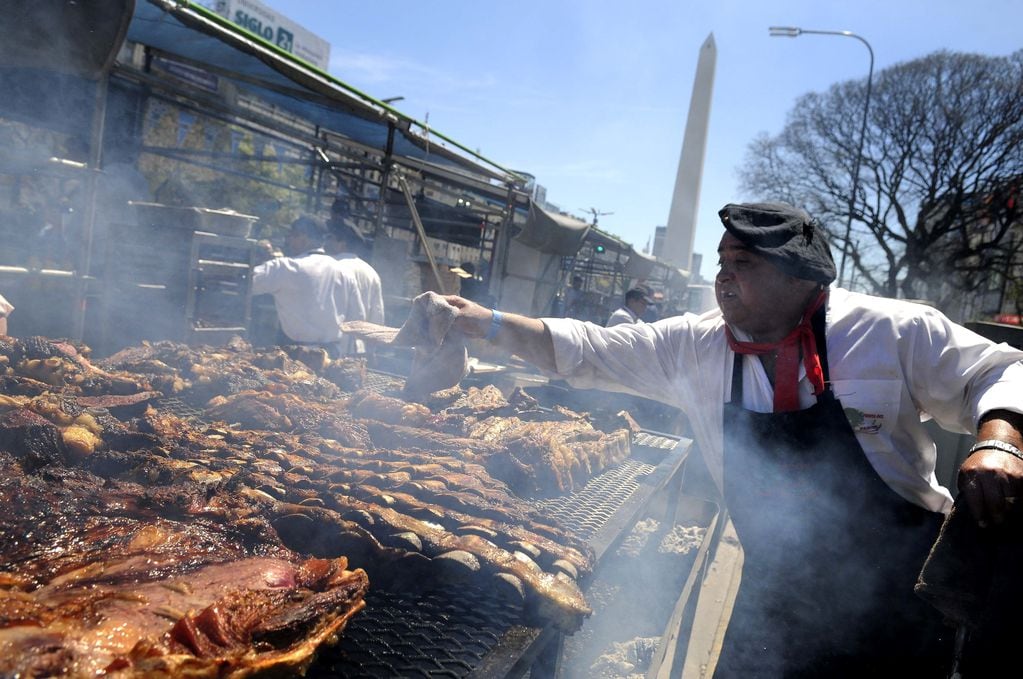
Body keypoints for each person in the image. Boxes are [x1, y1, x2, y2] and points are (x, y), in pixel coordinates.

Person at [443, 202, 1023, 676]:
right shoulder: (694, 343)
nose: (723, 276)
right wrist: (487, 322)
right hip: (773, 587)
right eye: (722, 261)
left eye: (742, 263)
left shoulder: (890, 330)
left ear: (800, 276)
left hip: (899, 595)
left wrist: (999, 438)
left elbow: (998, 370)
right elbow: (589, 348)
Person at [251, 215, 353, 358]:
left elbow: (247, 283)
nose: (288, 240)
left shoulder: (286, 267)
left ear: (303, 238)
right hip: (332, 355)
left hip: (297, 356)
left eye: (291, 236)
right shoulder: (344, 271)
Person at [324, 216, 384, 355]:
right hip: (358, 350)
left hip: (331, 348)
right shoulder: (371, 272)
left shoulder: (332, 267)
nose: (326, 242)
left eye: (330, 238)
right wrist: (372, 350)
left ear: (342, 243)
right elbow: (377, 316)